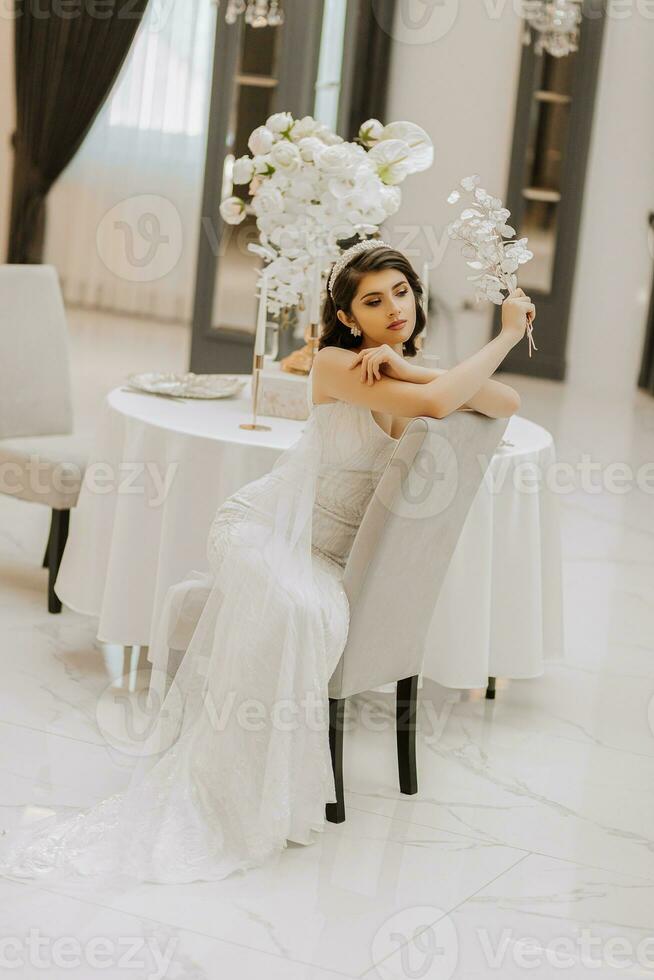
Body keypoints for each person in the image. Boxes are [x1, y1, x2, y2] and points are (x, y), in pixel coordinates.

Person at [0, 242, 534, 888]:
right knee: (295, 609)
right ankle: (227, 793)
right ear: (347, 316)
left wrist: (410, 364)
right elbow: (443, 402)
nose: (394, 307)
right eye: (373, 300)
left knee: (311, 610)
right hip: (261, 529)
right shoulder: (338, 364)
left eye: (401, 292)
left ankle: (261, 786)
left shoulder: (404, 370)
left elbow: (500, 401)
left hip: (327, 553)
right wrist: (503, 335)